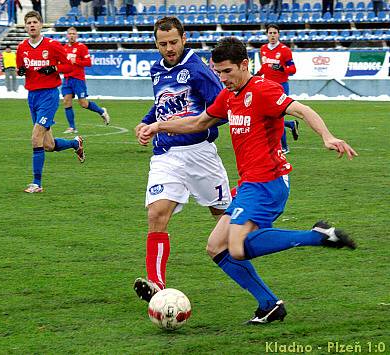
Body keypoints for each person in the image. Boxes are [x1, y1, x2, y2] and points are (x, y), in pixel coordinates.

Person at [138, 37, 358, 324]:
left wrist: (327, 136)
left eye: (227, 71)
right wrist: (158, 125)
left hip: (269, 183)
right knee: (215, 247)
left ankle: (316, 236)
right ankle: (269, 305)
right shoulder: (228, 96)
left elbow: (301, 110)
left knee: (237, 247)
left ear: (245, 64)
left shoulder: (263, 89)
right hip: (249, 184)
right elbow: (199, 121)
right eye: (217, 72)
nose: (222, 78)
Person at [133, 16, 232, 303]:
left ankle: (249, 207)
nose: (169, 48)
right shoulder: (156, 69)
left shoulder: (198, 70)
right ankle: (156, 285)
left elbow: (221, 108)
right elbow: (162, 103)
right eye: (162, 44)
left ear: (184, 39)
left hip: (200, 154)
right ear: (156, 43)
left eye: (173, 42)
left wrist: (185, 123)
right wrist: (146, 122)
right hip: (166, 155)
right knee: (156, 214)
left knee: (223, 214)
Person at [16, 11, 85, 194]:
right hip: (32, 97)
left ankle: (36, 183)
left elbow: (69, 66)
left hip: (49, 96)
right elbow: (19, 68)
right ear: (25, 26)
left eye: (35, 22)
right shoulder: (22, 47)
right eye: (28, 22)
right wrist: (20, 71)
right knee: (49, 145)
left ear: (41, 25)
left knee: (35, 136)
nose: (32, 25)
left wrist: (54, 68)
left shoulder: (52, 45)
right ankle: (75, 143)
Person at [256, 24, 298, 154]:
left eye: (275, 33)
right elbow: (264, 67)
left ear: (278, 34)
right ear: (267, 34)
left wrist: (282, 69)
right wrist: (255, 75)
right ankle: (291, 124)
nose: (272, 35)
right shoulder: (263, 49)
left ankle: (284, 147)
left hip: (281, 87)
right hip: (266, 86)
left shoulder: (285, 50)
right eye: (270, 33)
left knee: (277, 117)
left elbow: (293, 70)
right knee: (267, 115)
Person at [62, 27, 110, 134]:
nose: (71, 35)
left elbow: (88, 62)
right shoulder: (64, 48)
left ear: (77, 35)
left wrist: (76, 61)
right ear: (67, 35)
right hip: (67, 79)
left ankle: (102, 111)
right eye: (70, 34)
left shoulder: (81, 47)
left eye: (74, 33)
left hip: (78, 79)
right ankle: (72, 127)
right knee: (66, 101)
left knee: (83, 103)